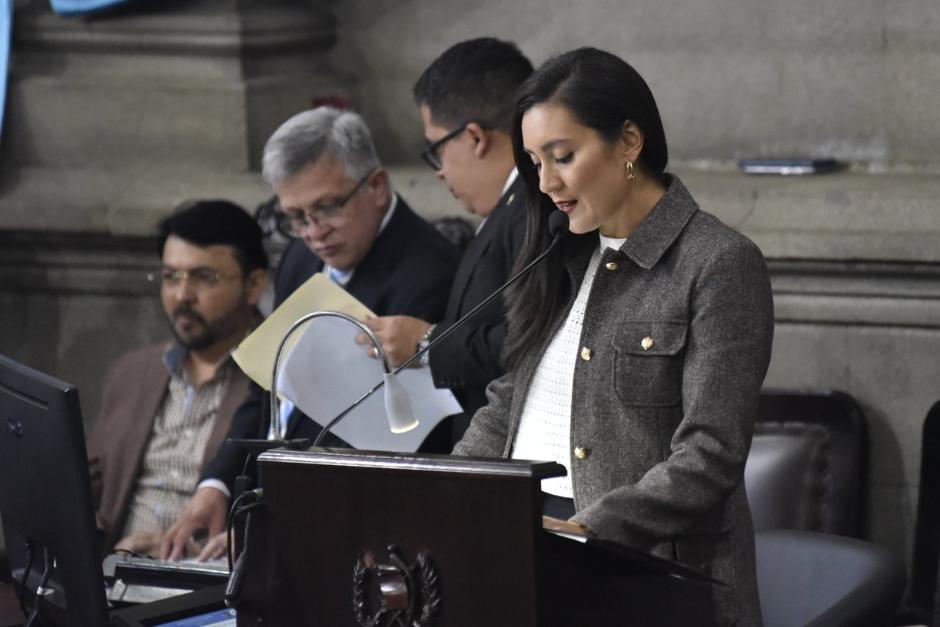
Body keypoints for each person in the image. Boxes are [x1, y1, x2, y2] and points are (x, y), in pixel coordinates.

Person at [452, 48, 774, 625]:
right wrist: (445, 493)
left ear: (629, 141)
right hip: (525, 553)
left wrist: (588, 529)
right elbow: (507, 404)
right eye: (534, 163)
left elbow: (710, 454)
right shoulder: (558, 253)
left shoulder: (718, 263)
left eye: (563, 157)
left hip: (644, 571)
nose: (547, 183)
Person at [160, 107, 461, 560]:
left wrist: (273, 524)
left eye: (326, 208)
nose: (314, 233)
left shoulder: (428, 273)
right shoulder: (301, 258)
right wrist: (216, 484)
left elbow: (369, 445)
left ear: (376, 187)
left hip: (355, 534)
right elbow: (272, 390)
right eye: (296, 217)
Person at [364, 38, 532, 451]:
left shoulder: (534, 209)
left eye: (437, 149)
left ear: (475, 137)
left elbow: (533, 343)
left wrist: (426, 343)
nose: (439, 172)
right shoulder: (511, 209)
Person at [87, 200, 268, 556]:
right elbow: (86, 487)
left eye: (204, 277)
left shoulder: (274, 383)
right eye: (170, 277)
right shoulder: (133, 371)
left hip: (207, 589)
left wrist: (178, 555)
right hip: (111, 572)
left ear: (254, 284)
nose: (182, 295)